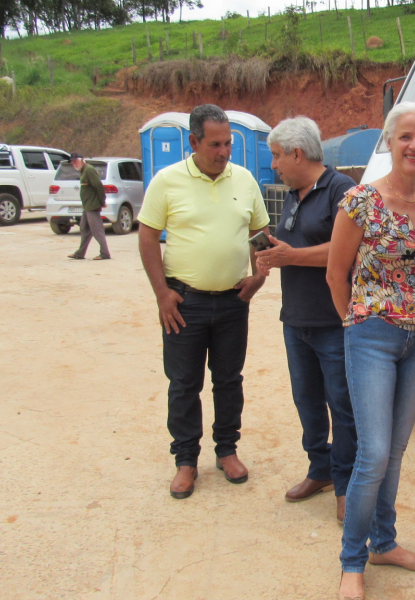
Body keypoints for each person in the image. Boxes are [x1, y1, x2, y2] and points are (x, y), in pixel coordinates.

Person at [326, 101, 415, 600]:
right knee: (373, 453)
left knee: (394, 451)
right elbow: (337, 273)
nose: (414, 146)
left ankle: (385, 541)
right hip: (371, 336)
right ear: (390, 142)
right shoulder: (360, 201)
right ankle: (352, 562)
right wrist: (354, 323)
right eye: (405, 137)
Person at [137, 104, 271, 499]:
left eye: (228, 142)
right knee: (183, 384)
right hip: (185, 304)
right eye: (215, 144)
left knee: (229, 380)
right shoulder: (167, 181)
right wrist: (162, 293)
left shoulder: (245, 180)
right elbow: (147, 237)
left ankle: (227, 451)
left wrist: (259, 276)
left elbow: (259, 232)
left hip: (233, 302)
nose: (224, 151)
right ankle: (185, 461)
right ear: (193, 142)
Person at [255, 116, 358, 522]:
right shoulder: (295, 195)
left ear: (298, 153)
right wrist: (274, 253)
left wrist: (291, 256)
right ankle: (320, 470)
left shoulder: (342, 190)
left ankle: (346, 484)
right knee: (307, 402)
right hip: (295, 320)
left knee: (342, 405)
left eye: (278, 156)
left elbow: (346, 249)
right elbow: (298, 245)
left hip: (332, 322)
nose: (275, 165)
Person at [67, 153, 110, 260]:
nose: (74, 164)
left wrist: (102, 201)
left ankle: (105, 253)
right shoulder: (83, 171)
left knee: (97, 230)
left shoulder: (89, 170)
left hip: (92, 205)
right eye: (72, 162)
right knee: (84, 228)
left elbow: (98, 186)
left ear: (81, 159)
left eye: (75, 161)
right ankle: (80, 253)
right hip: (87, 206)